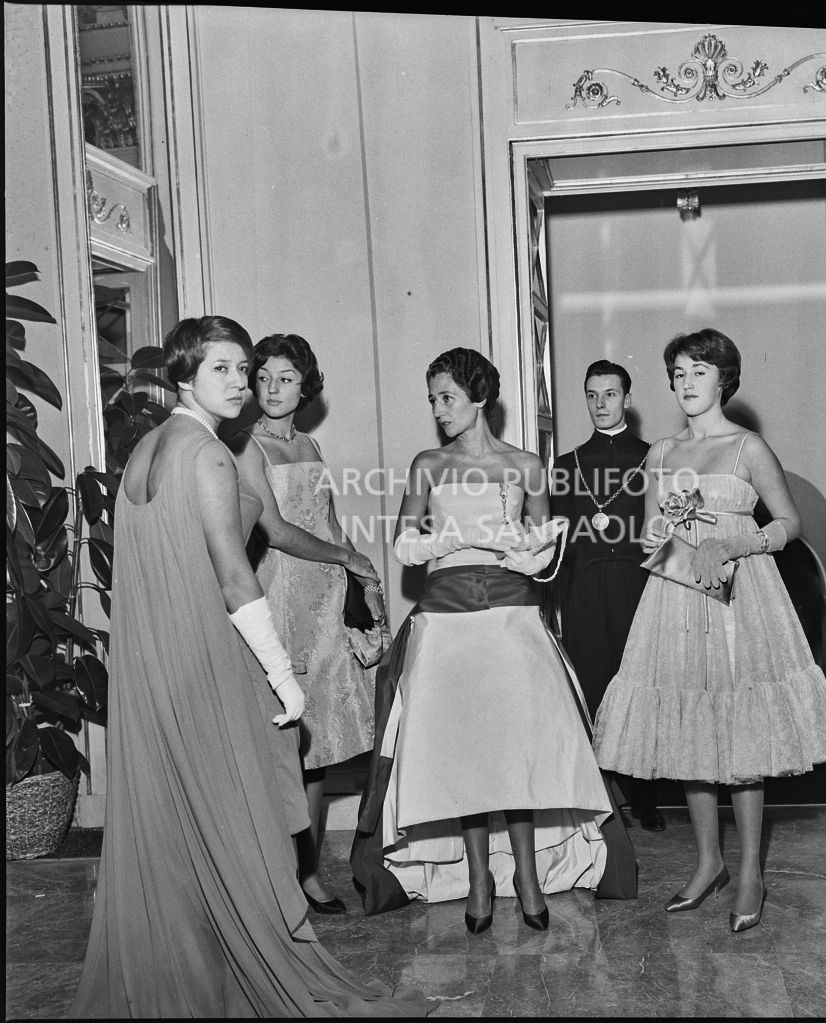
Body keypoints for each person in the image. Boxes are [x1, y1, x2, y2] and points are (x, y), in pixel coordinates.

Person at [70, 316, 429, 1017]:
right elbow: (236, 576)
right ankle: (238, 967)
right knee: (237, 822)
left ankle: (182, 970)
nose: (240, 383)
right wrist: (283, 677)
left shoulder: (147, 447)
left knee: (180, 826)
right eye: (223, 369)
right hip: (206, 656)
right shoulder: (208, 454)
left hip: (155, 665)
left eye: (243, 368)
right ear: (184, 376)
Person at [350, 347, 636, 932]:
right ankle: (479, 878)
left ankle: (527, 875)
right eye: (433, 399)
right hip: (446, 621)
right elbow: (404, 547)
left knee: (516, 750)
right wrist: (458, 537)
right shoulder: (429, 463)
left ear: (479, 398)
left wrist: (535, 549)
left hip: (511, 617)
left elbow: (542, 557)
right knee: (468, 754)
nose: (438, 410)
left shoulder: (527, 465)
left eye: (447, 397)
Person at [593, 328, 826, 933]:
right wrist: (656, 538)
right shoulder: (660, 452)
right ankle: (708, 862)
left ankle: (751, 870)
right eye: (679, 373)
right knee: (692, 727)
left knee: (741, 732)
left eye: (699, 371)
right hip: (677, 598)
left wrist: (738, 542)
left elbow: (789, 522)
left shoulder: (747, 447)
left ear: (724, 379)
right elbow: (649, 535)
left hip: (743, 597)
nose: (687, 383)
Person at [228, 333, 385, 915]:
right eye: (264, 377)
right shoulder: (246, 447)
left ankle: (310, 872)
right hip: (279, 595)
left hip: (324, 600)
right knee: (283, 746)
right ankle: (275, 877)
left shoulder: (310, 444)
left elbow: (328, 521)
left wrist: (362, 571)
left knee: (316, 746)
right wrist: (344, 556)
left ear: (305, 386)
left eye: (286, 378)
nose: (273, 389)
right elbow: (274, 531)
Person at [550, 359, 665, 832]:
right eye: (592, 395)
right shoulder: (566, 465)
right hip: (584, 590)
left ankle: (645, 796)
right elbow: (558, 543)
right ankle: (602, 799)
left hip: (640, 587)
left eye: (610, 394)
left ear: (627, 399)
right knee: (593, 686)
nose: (601, 404)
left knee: (641, 687)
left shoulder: (654, 457)